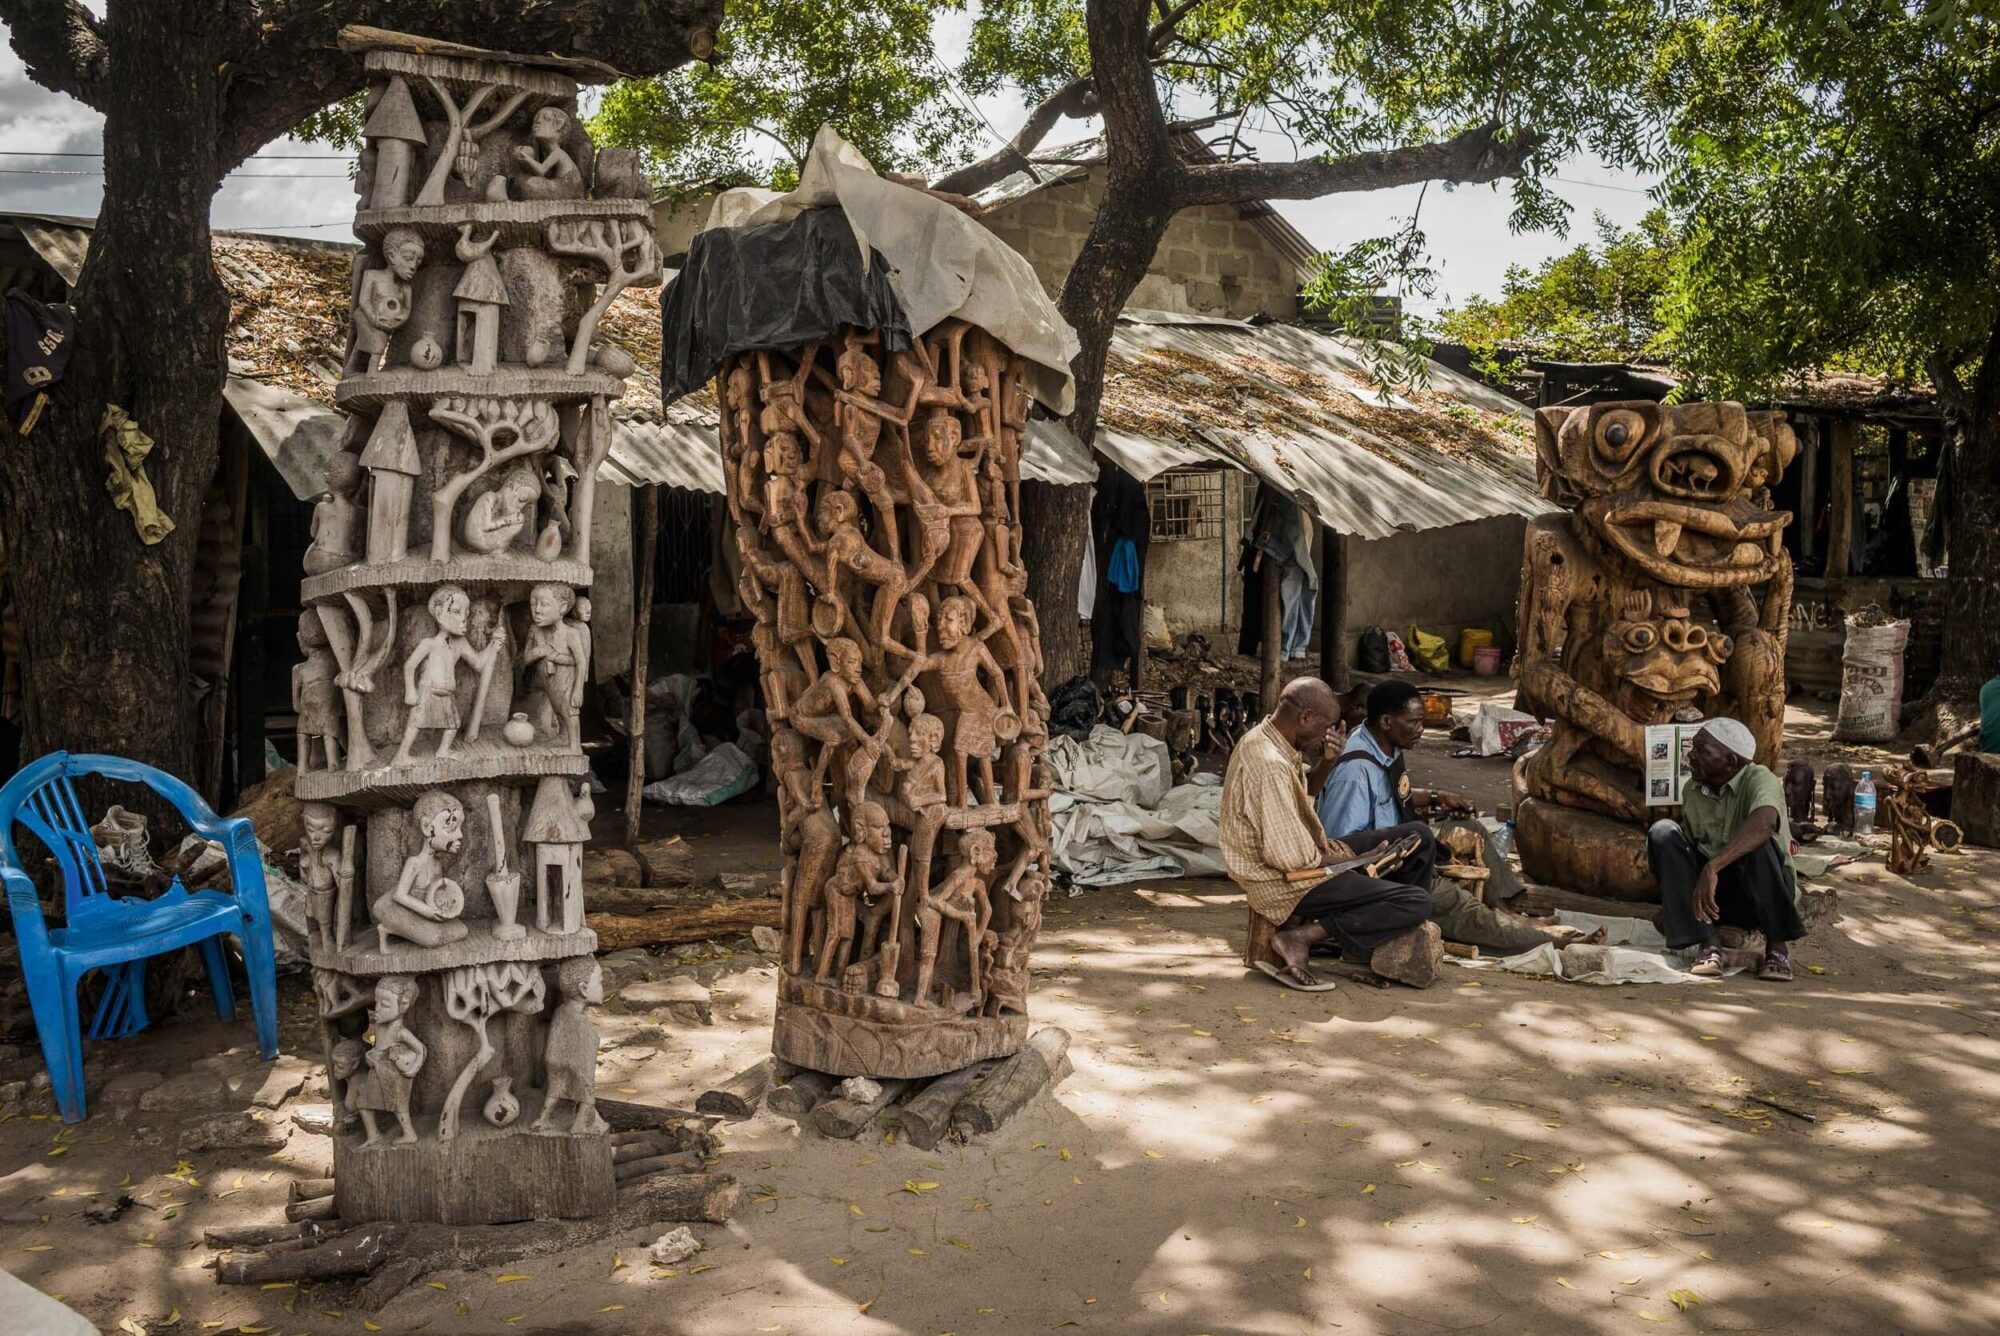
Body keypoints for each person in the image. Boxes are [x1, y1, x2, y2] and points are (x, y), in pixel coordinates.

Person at [1319, 680, 1567, 955]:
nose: (1420, 729)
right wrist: (1398, 859)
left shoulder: (1383, 744)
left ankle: (1509, 913)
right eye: (1413, 722)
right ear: (1387, 721)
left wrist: (1438, 797)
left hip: (1408, 848)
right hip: (1388, 870)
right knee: (1455, 902)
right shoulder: (1354, 773)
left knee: (1471, 827)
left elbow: (1389, 794)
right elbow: (1340, 846)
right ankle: (1547, 942)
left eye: (1422, 721)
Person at [1221, 676, 1431, 991]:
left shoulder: (1272, 738)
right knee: (1417, 901)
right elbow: (1291, 860)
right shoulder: (1269, 766)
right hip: (1283, 881)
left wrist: (1326, 763)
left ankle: (1373, 926)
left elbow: (1304, 798)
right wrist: (1357, 860)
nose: (1328, 735)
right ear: (1305, 717)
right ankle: (1301, 937)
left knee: (1419, 835)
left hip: (1308, 854)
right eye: (1327, 727)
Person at [1649, 718, 1807, 981]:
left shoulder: (1760, 779)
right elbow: (1686, 856)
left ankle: (1777, 948)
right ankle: (1709, 944)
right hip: (1715, 899)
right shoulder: (1693, 790)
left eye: (1701, 750)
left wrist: (1713, 866)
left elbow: (1765, 823)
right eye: (1693, 748)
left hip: (1762, 892)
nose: (1691, 756)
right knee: (1663, 832)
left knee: (1758, 845)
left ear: (1730, 762)